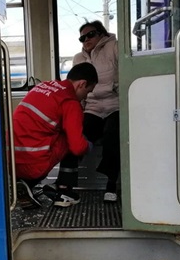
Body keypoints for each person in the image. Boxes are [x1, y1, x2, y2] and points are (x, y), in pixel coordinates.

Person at [14, 62, 98, 209]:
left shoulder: (43, 86)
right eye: (88, 92)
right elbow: (77, 147)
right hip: (33, 165)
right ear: (82, 84)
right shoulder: (70, 102)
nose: (86, 97)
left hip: (10, 160)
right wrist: (88, 146)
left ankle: (20, 184)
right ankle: (64, 190)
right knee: (72, 139)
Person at [56, 20, 120, 203]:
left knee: (112, 134)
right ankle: (65, 185)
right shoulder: (78, 58)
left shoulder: (114, 47)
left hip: (115, 105)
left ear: (102, 34)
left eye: (90, 35)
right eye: (82, 38)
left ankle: (111, 184)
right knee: (73, 134)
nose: (86, 40)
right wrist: (77, 111)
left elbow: (126, 75)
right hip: (92, 107)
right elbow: (77, 88)